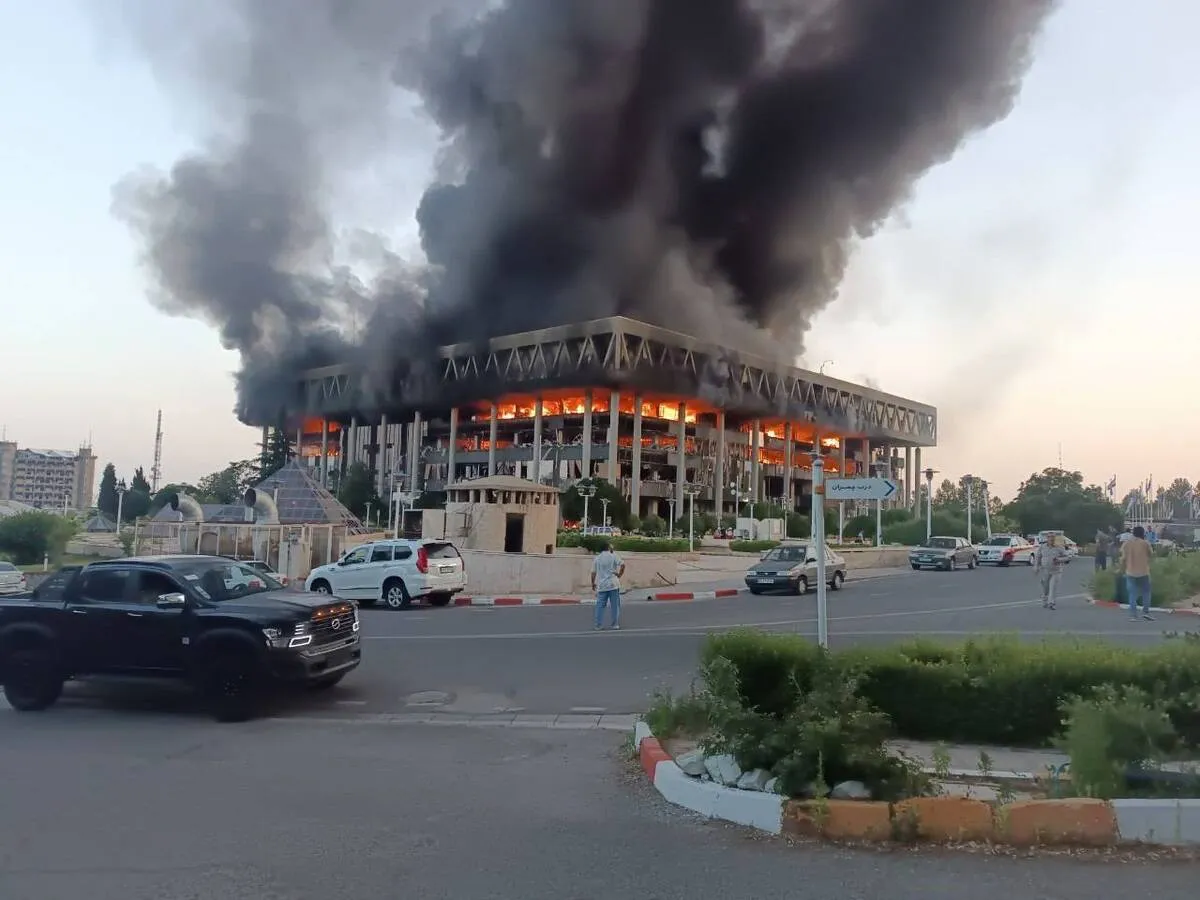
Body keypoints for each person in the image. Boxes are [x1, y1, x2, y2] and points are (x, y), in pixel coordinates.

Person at [591, 541, 626, 631]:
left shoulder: (597, 558)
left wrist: (593, 583)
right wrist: (619, 574)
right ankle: (615, 624)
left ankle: (598, 625)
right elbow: (623, 565)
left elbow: (593, 573)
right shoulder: (613, 556)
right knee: (615, 605)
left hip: (602, 585)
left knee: (600, 606)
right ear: (608, 547)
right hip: (613, 584)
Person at [1122, 525, 1154, 621]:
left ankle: (1133, 615)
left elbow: (1123, 558)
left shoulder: (1127, 543)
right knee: (1146, 592)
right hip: (1144, 572)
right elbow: (1151, 554)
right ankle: (1145, 612)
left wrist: (1121, 569)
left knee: (1132, 594)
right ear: (1142, 533)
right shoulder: (1145, 543)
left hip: (1130, 572)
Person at [1034, 533, 1067, 609]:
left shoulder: (1059, 548)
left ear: (1055, 538)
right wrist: (1036, 566)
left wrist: (1059, 559)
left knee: (1053, 587)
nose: (1051, 539)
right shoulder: (1042, 547)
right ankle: (1045, 599)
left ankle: (1051, 603)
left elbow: (1067, 557)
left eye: (1053, 537)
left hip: (1056, 571)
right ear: (1047, 538)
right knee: (1046, 588)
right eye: (1049, 537)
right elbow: (1038, 557)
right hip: (1045, 570)